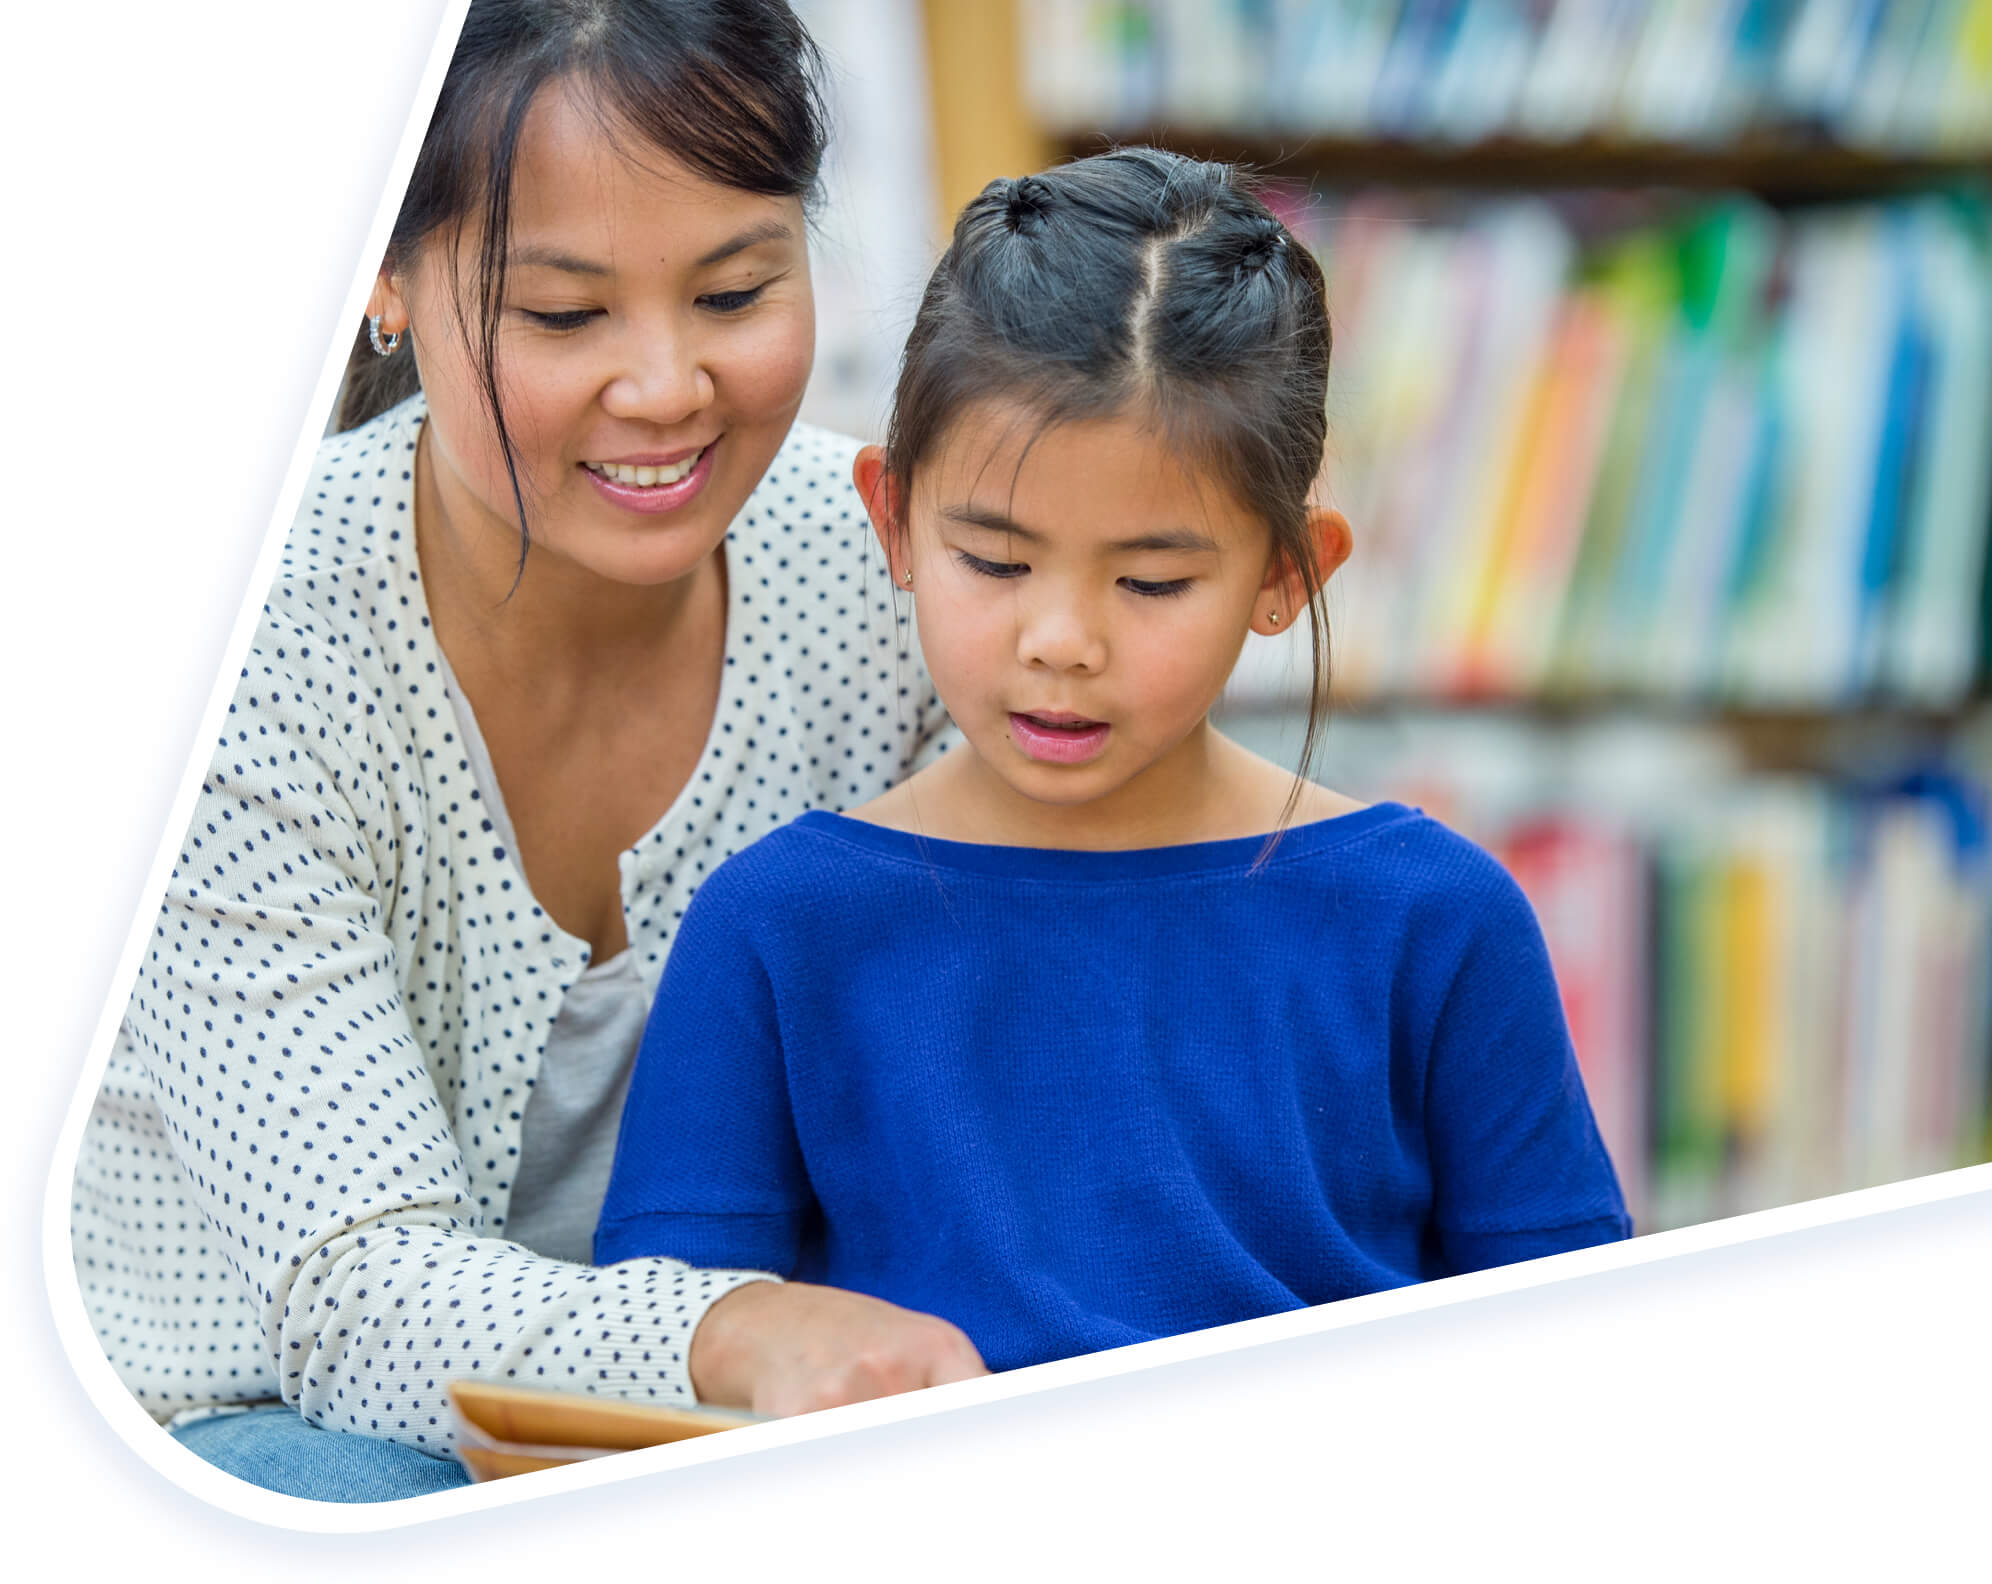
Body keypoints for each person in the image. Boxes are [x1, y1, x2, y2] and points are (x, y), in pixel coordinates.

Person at [68, 0, 987, 1505]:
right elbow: (357, 1302)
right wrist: (749, 1336)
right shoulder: (240, 642)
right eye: (565, 317)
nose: (666, 387)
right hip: (248, 1426)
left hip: (742, 1426)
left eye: (737, 291)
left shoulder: (889, 568)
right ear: (383, 273)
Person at [594, 149, 1633, 1376]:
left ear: (1285, 577)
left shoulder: (1438, 923)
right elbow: (665, 1360)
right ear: (893, 521)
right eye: (994, 561)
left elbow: (1581, 1362)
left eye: (1151, 582)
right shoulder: (777, 927)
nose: (1061, 642)